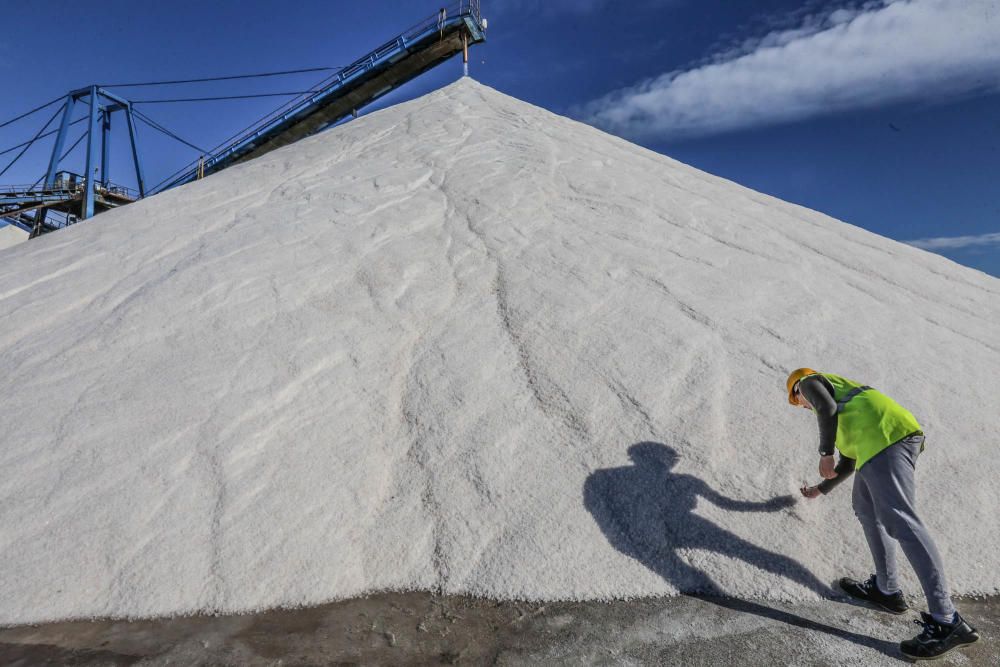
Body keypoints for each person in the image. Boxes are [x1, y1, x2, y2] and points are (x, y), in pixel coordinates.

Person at [788, 368, 980, 661]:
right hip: (877, 445)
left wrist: (824, 451)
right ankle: (886, 589)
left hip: (887, 438)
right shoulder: (847, 416)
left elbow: (823, 407)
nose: (802, 405)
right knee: (866, 509)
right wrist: (820, 489)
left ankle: (947, 621)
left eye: (797, 400)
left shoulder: (810, 381)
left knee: (902, 521)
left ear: (797, 388)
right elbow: (849, 461)